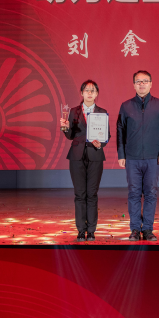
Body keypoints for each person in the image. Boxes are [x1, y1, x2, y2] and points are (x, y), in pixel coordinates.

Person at [117, 71, 159, 242]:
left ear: (151, 84)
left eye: (145, 81)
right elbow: (120, 131)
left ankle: (147, 229)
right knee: (133, 193)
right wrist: (121, 154)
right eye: (138, 81)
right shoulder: (126, 106)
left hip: (153, 158)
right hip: (132, 158)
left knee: (150, 193)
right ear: (133, 85)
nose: (142, 84)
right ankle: (134, 229)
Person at [61, 80, 109, 241]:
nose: (89, 93)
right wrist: (65, 127)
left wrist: (101, 143)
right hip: (77, 156)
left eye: (92, 90)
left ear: (96, 94)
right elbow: (70, 136)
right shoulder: (73, 111)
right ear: (81, 93)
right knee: (80, 194)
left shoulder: (102, 112)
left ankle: (91, 231)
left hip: (95, 155)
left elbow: (107, 135)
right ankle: (81, 230)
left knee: (92, 194)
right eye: (86, 90)